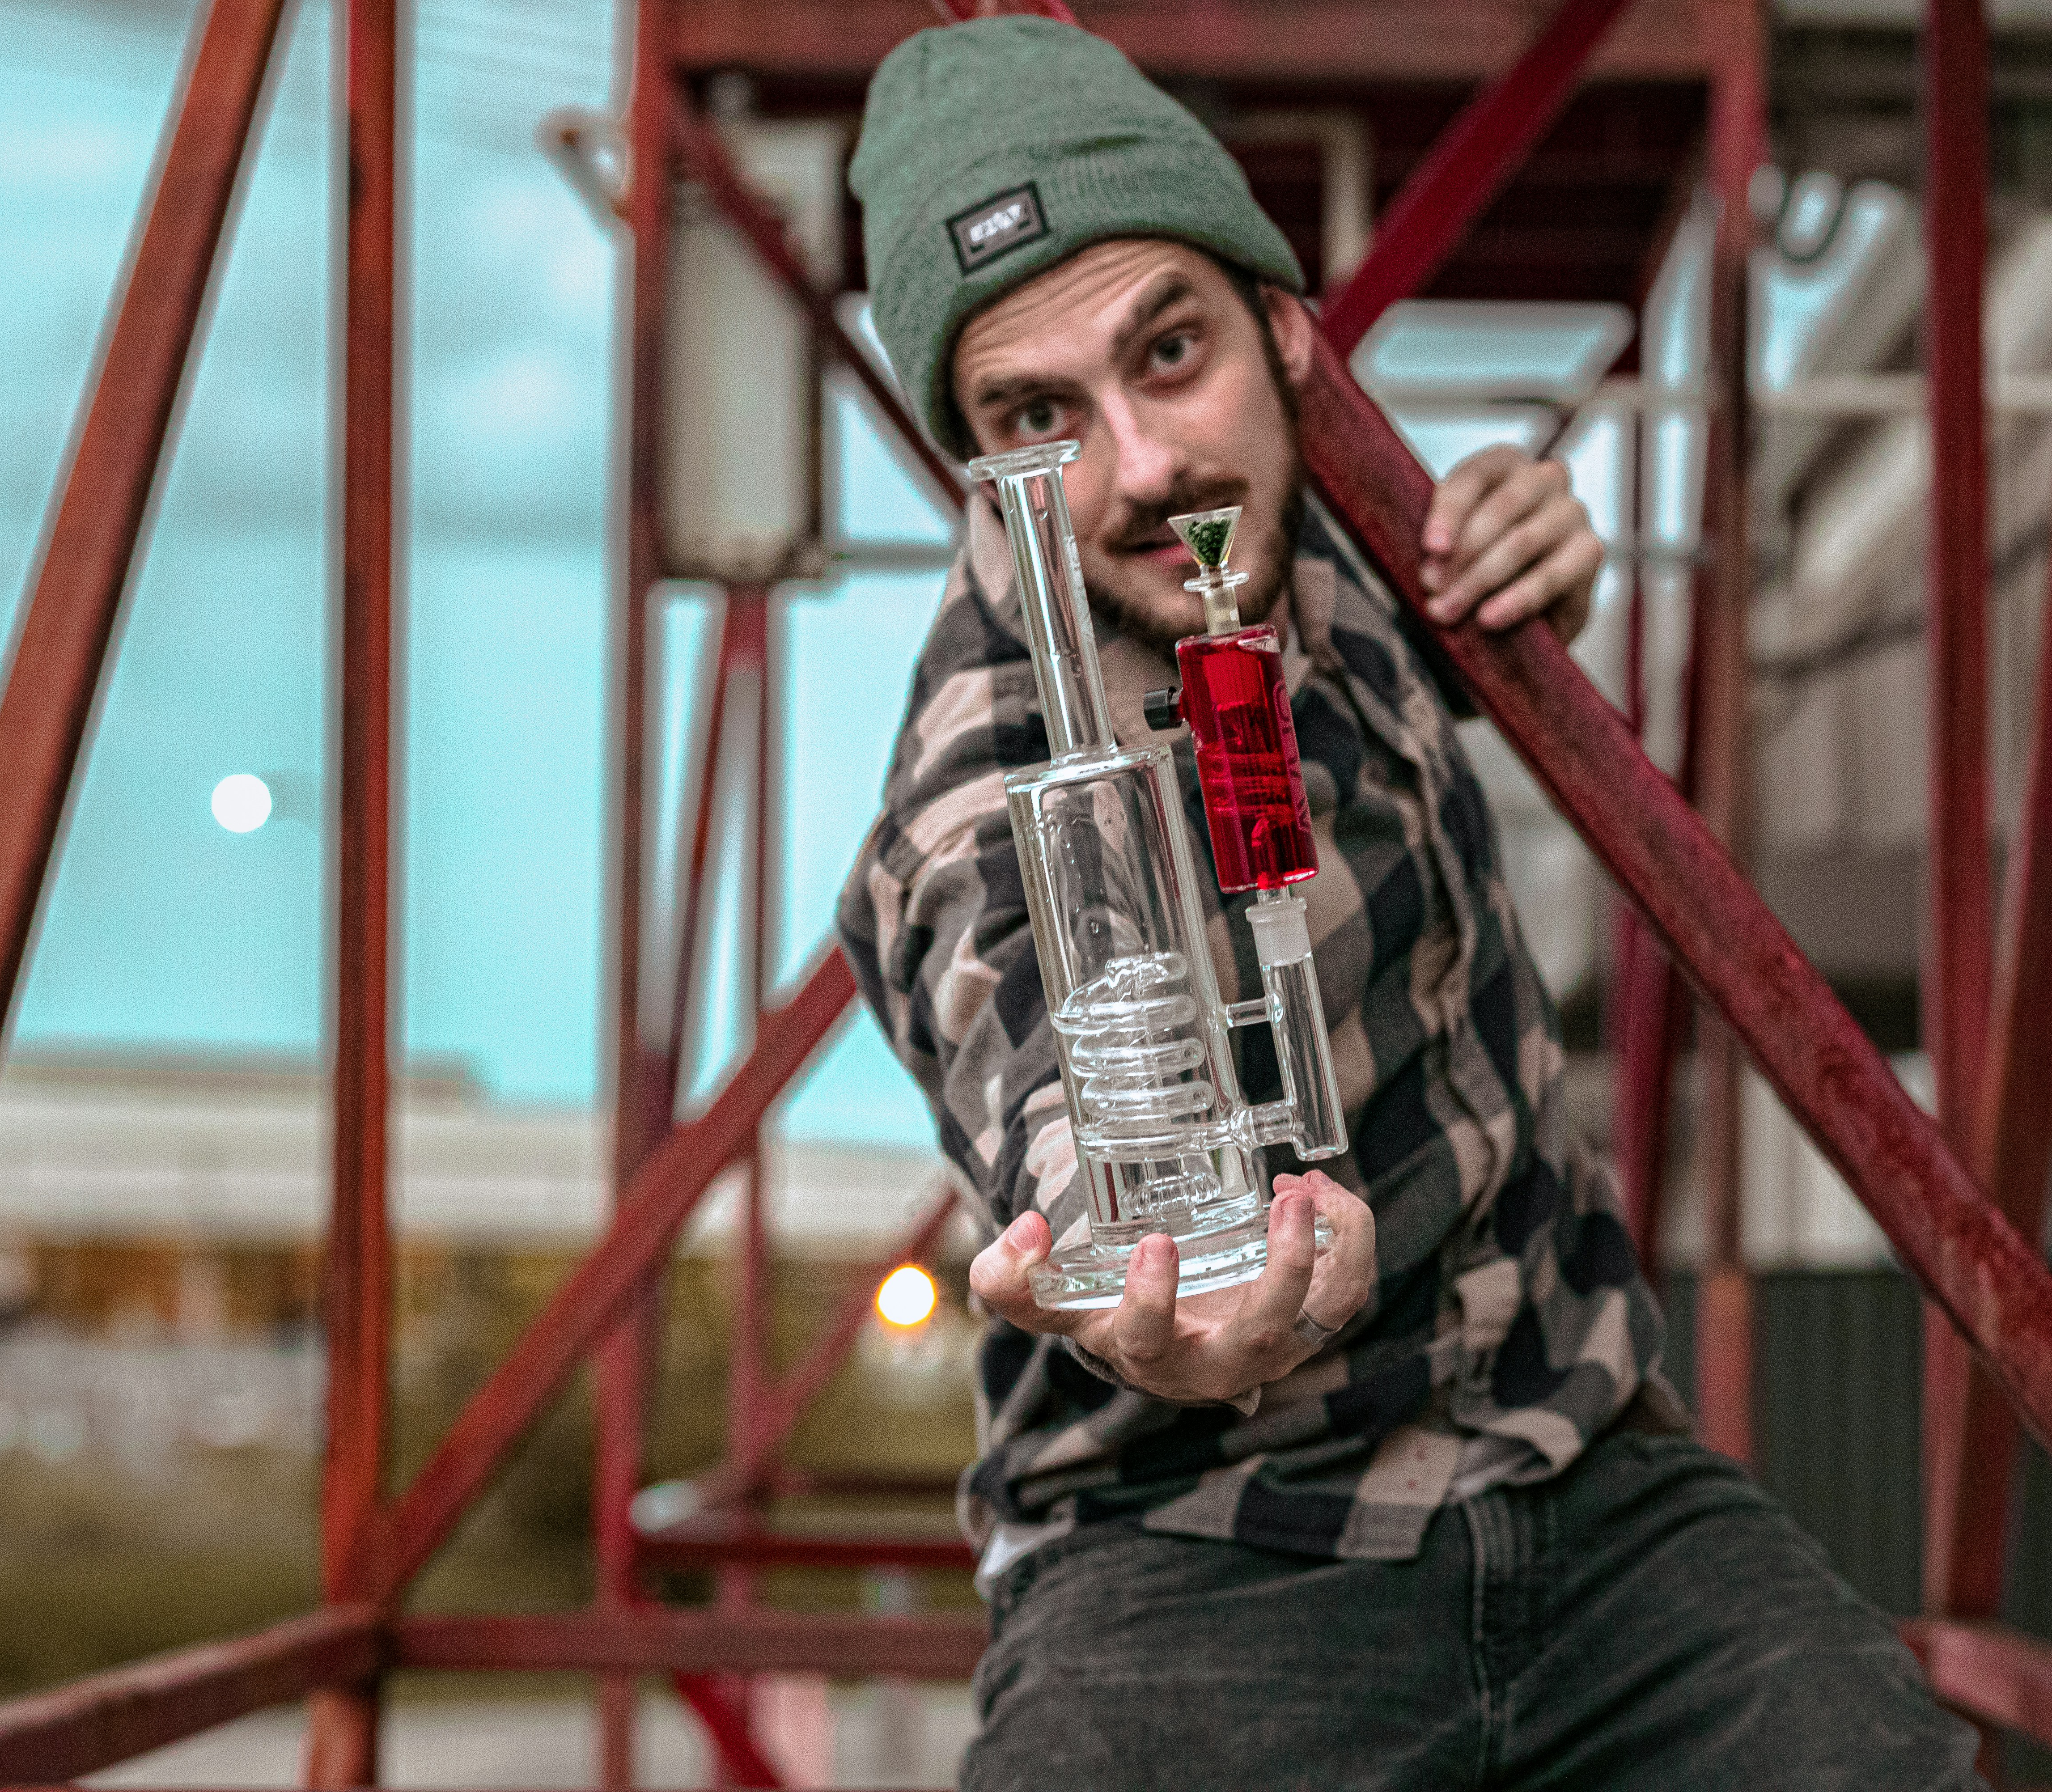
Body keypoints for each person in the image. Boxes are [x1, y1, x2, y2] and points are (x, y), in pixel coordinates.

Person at [836, 17, 1982, 1789]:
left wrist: (1536, 548)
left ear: (1284, 327)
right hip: (1205, 1542)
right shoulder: (984, 781)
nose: (1143, 467)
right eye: (1039, 416)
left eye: (1169, 352)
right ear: (973, 456)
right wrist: (1147, 1280)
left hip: (1579, 1464)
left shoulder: (1317, 522)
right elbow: (1033, 1045)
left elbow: (1455, 592)